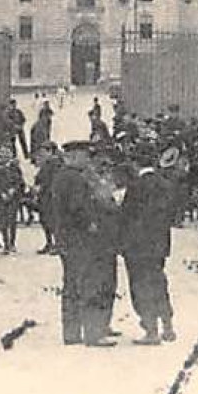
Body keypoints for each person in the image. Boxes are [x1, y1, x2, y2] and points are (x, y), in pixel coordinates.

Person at [52, 142, 121, 347]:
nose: (88, 159)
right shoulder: (74, 179)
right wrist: (91, 223)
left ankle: (71, 333)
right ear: (73, 156)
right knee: (88, 283)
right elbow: (78, 208)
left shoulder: (61, 176)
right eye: (84, 155)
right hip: (81, 240)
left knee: (71, 285)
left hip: (66, 239)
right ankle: (93, 333)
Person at [117, 161, 178, 344]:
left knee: (141, 287)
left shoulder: (136, 186)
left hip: (137, 246)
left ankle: (151, 330)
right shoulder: (166, 184)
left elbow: (126, 216)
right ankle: (168, 326)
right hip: (159, 245)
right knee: (159, 282)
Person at [0, 147, 23, 254]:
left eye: (7, 152)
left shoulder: (15, 167)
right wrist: (1, 193)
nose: (5, 155)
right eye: (2, 152)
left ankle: (12, 243)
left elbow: (20, 181)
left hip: (13, 198)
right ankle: (6, 244)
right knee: (2, 221)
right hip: (0, 198)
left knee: (12, 221)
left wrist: (14, 190)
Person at [33, 141, 63, 254]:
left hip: (50, 196)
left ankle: (56, 244)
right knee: (45, 221)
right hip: (44, 196)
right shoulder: (46, 164)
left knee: (52, 221)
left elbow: (51, 180)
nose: (42, 154)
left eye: (44, 151)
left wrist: (40, 187)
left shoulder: (54, 163)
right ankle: (50, 243)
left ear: (50, 151)